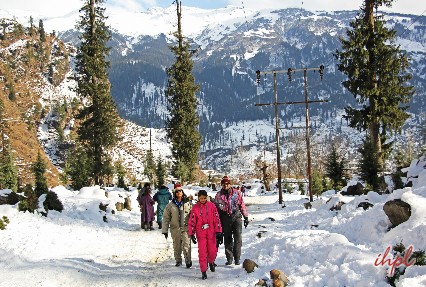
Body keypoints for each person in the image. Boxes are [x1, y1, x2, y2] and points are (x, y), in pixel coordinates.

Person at [213, 176, 249, 265]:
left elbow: (242, 204)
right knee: (227, 238)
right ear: (221, 185)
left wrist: (246, 216)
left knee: (238, 237)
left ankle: (237, 258)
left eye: (227, 184)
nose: (225, 185)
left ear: (230, 184)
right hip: (225, 218)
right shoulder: (218, 195)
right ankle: (229, 258)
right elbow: (216, 210)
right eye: (223, 184)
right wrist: (217, 222)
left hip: (236, 216)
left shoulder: (236, 193)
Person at [188, 190, 223, 280]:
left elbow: (216, 219)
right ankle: (203, 271)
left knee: (212, 251)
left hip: (211, 233)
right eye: (201, 198)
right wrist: (191, 233)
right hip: (201, 233)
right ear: (198, 198)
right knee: (202, 252)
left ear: (206, 197)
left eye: (204, 198)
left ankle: (211, 262)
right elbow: (192, 221)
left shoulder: (212, 206)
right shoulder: (195, 208)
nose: (203, 200)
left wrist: (218, 231)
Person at [162, 183, 193, 267]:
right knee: (177, 245)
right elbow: (165, 218)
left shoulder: (188, 204)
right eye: (177, 191)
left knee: (187, 245)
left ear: (182, 192)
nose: (179, 193)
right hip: (175, 229)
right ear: (174, 193)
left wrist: (193, 228)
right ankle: (178, 260)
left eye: (180, 191)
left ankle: (188, 261)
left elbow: (193, 216)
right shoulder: (170, 206)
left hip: (186, 228)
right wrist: (165, 230)